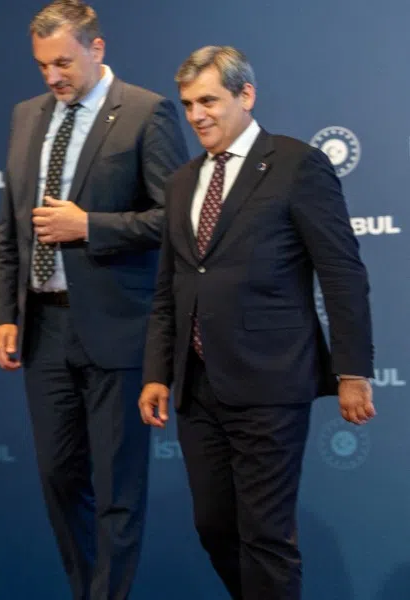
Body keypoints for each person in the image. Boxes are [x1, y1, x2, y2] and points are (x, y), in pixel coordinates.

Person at [138, 46, 375, 600]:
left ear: (246, 96)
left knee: (266, 534)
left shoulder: (296, 164)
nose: (197, 115)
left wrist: (352, 370)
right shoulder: (180, 183)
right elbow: (170, 287)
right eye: (188, 104)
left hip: (272, 381)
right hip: (197, 387)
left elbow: (341, 271)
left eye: (209, 101)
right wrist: (156, 372)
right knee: (215, 528)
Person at [0, 1, 188, 598]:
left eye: (63, 62)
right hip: (44, 327)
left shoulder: (146, 113)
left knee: (118, 486)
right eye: (43, 65)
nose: (52, 76)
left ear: (96, 49)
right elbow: (10, 224)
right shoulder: (27, 116)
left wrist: (91, 226)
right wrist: (4, 312)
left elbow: (172, 219)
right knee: (58, 476)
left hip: (118, 327)